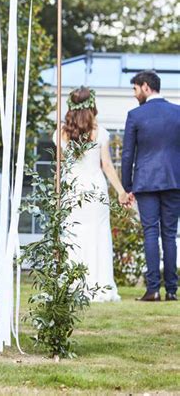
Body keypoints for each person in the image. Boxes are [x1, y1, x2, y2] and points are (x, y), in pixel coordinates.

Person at [53, 86, 125, 302]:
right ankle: (99, 285)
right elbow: (108, 166)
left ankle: (73, 285)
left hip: (72, 190)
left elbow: (61, 168)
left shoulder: (61, 134)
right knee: (98, 236)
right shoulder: (100, 132)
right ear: (92, 105)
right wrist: (121, 191)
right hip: (95, 191)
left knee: (72, 235)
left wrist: (56, 195)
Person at [122, 70, 180, 302]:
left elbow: (127, 155)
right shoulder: (178, 113)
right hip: (175, 181)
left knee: (151, 232)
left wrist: (127, 186)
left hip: (145, 182)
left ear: (145, 87)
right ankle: (173, 291)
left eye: (135, 89)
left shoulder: (135, 115)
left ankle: (153, 289)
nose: (135, 95)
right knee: (170, 234)